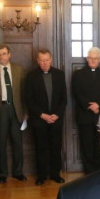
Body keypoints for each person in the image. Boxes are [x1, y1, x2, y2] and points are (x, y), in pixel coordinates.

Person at [25, 49, 68, 185]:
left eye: (47, 60)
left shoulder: (59, 74)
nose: (44, 63)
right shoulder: (31, 76)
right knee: (40, 148)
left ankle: (55, 174)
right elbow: (29, 100)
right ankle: (41, 176)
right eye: (42, 60)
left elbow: (64, 98)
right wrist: (42, 115)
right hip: (39, 119)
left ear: (51, 60)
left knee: (56, 147)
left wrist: (57, 114)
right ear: (38, 61)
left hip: (56, 119)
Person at [0, 44, 27, 183]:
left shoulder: (19, 69)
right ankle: (2, 173)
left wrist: (25, 111)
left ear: (9, 55)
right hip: (0, 109)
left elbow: (24, 92)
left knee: (17, 143)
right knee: (1, 143)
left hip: (16, 109)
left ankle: (18, 172)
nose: (1, 57)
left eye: (4, 54)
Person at [71, 47, 100, 174]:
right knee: (86, 145)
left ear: (99, 59)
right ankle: (89, 172)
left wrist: (98, 105)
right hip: (84, 115)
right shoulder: (78, 74)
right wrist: (90, 106)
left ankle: (99, 171)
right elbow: (76, 92)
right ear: (87, 58)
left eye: (95, 58)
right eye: (90, 58)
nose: (93, 60)